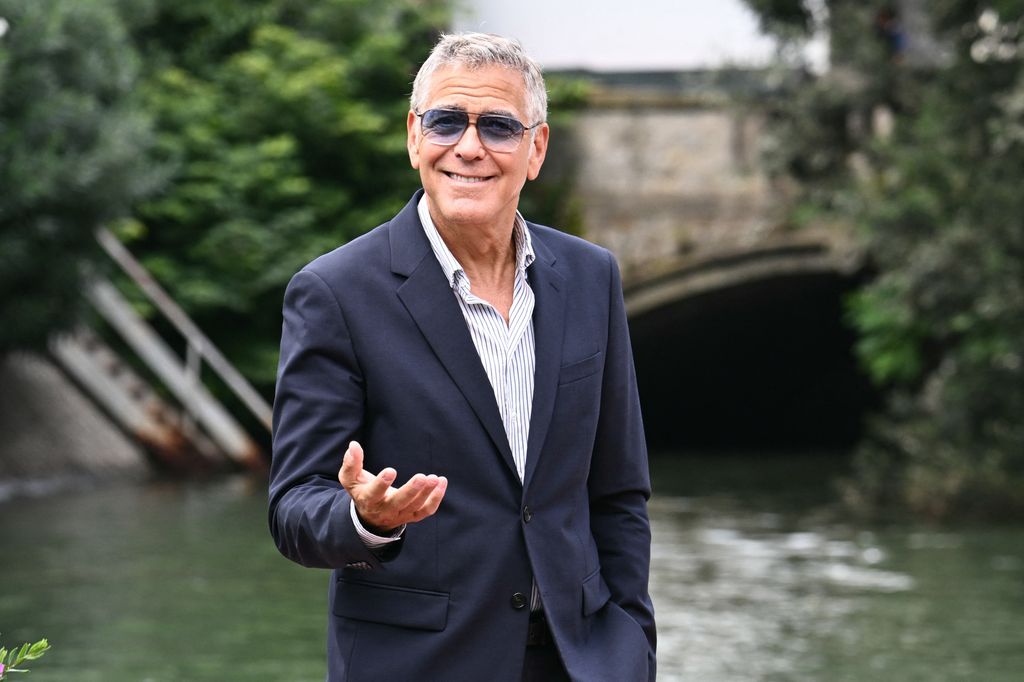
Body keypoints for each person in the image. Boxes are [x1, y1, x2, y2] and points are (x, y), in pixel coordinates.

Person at [269, 32, 656, 681]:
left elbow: (618, 494)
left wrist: (632, 646)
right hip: (419, 664)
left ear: (536, 149)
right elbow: (293, 510)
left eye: (498, 127)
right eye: (448, 121)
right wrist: (365, 519)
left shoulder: (592, 277)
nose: (469, 147)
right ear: (414, 136)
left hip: (583, 661)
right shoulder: (335, 293)